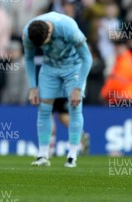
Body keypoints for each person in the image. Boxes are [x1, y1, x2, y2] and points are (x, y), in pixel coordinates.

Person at [23, 11, 93, 168]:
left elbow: (87, 58)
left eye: (45, 43)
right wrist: (32, 87)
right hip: (50, 68)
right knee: (43, 109)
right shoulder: (27, 33)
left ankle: (72, 155)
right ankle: (42, 155)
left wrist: (78, 87)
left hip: (73, 67)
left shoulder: (68, 28)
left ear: (50, 32)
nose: (43, 47)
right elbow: (29, 59)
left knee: (75, 107)